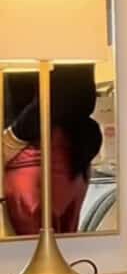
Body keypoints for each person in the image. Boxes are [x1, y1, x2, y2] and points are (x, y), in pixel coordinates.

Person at [2, 65, 102, 234]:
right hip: (66, 149)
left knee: (33, 248)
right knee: (56, 245)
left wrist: (13, 137)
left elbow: (61, 94)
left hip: (38, 148)